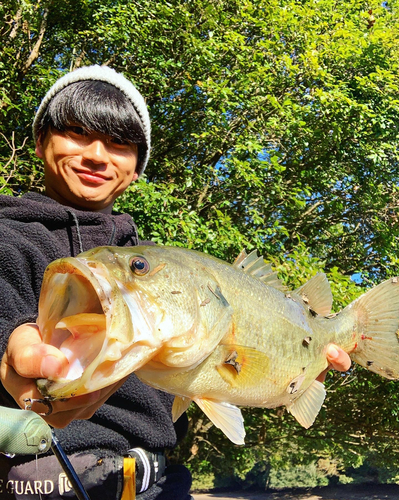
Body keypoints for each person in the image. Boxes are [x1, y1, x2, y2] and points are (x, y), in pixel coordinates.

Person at [0, 65, 351, 499]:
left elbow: (237, 369)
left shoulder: (170, 261)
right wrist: (10, 342)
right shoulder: (7, 237)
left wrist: (307, 357)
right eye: (75, 132)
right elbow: (7, 313)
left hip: (161, 484)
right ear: (39, 142)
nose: (96, 154)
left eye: (118, 143)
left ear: (135, 168)